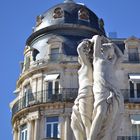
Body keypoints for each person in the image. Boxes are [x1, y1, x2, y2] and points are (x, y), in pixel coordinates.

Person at [88, 35, 124, 140]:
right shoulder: (97, 58)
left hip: (114, 91)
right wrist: (102, 39)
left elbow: (120, 56)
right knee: (100, 113)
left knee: (111, 118)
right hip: (102, 89)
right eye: (109, 48)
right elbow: (96, 38)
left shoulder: (111, 63)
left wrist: (113, 44)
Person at [71, 39, 94, 140]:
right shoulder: (84, 66)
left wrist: (88, 41)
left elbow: (80, 49)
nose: (79, 57)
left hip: (86, 92)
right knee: (74, 122)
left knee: (86, 121)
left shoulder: (87, 65)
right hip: (81, 94)